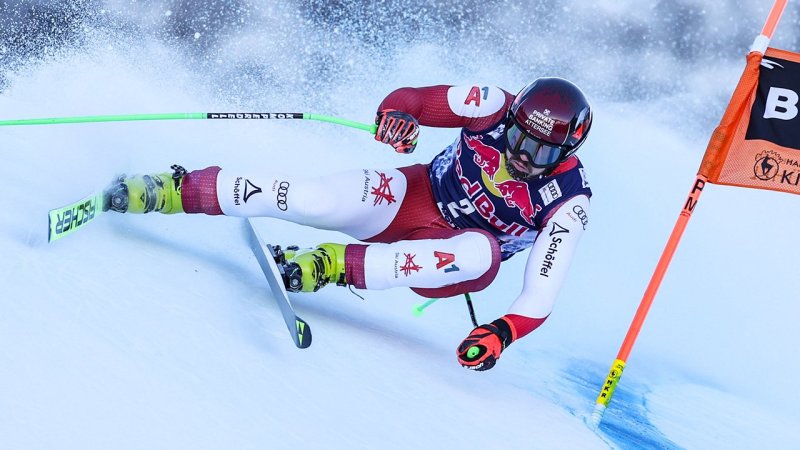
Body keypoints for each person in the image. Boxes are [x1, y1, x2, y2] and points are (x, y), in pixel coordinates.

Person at [107, 77, 593, 371]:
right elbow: (411, 99)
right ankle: (175, 189)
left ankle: (328, 266)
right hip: (413, 196)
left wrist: (501, 332)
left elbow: (540, 296)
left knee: (481, 252)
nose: (521, 155)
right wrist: (398, 118)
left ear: (566, 152)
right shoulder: (491, 104)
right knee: (315, 199)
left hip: (451, 260)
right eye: (517, 137)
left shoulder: (568, 202)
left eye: (540, 152)